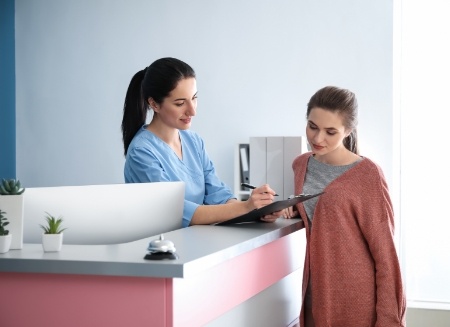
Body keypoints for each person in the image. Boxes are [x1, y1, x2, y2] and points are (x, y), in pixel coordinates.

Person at [285, 86, 406, 326]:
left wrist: (389, 320)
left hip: (354, 301)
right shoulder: (300, 165)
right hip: (313, 295)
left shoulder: (368, 175)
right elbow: (324, 217)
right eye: (312, 127)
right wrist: (289, 208)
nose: (318, 139)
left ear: (348, 131)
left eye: (330, 132)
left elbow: (386, 256)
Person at [121, 57, 280, 227]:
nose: (192, 111)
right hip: (161, 247)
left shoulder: (193, 141)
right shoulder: (142, 151)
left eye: (194, 98)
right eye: (180, 103)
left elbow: (218, 195)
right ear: (154, 104)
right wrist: (246, 207)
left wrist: (257, 210)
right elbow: (179, 212)